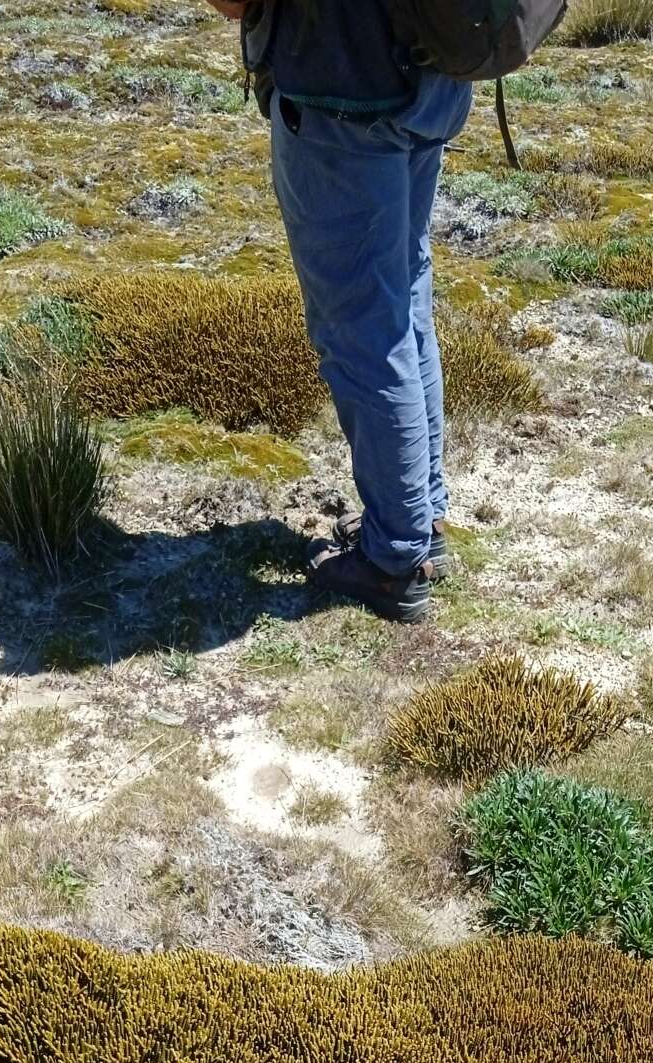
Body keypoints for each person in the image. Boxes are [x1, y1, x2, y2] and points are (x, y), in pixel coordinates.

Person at [204, 0, 471, 625]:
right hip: (431, 82)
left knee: (362, 330)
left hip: (344, 98)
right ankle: (420, 521)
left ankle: (394, 561)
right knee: (403, 296)